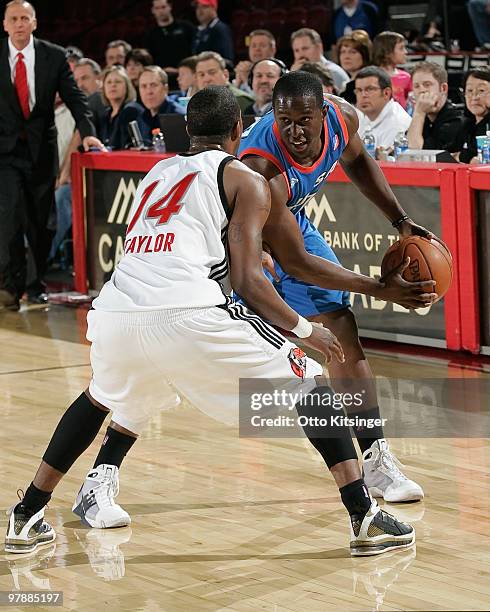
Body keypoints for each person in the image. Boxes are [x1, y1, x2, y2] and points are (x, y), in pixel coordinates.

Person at [5, 85, 415, 559]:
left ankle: (28, 512)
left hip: (116, 309)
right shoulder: (245, 178)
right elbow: (249, 279)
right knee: (307, 380)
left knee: (110, 394)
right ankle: (363, 514)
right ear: (240, 129)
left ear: (188, 128)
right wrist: (306, 331)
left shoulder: (157, 171)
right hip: (188, 310)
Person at [238, 71, 435, 502]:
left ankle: (377, 459)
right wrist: (380, 288)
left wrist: (399, 220)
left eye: (303, 120)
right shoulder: (259, 165)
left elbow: (359, 160)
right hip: (236, 240)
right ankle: (104, 463)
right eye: (283, 120)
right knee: (173, 359)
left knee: (341, 327)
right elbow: (296, 262)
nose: (294, 131)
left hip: (289, 223)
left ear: (323, 113)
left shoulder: (343, 118)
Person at [0, 0, 103, 310]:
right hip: (5, 153)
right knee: (10, 218)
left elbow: (75, 98)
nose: (19, 24)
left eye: (24, 18)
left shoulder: (54, 56)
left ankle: (35, 284)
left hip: (41, 151)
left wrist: (86, 130)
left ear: (34, 22)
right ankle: (9, 285)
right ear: (5, 24)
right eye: (13, 19)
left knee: (42, 224)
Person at [407, 62, 463, 151]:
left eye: (427, 84)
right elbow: (405, 148)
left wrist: (419, 112)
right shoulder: (423, 118)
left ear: (443, 88)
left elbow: (415, 152)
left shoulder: (456, 120)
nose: (421, 90)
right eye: (416, 86)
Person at [355, 66, 412, 151]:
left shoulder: (398, 123)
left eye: (369, 89)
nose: (363, 95)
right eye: (359, 90)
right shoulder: (363, 117)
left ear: (386, 93)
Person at [145, 0, 195, 86]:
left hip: (187, 76)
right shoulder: (150, 34)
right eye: (157, 8)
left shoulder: (186, 27)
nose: (161, 11)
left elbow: (194, 51)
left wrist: (181, 70)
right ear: (153, 10)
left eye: (163, 7)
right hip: (163, 79)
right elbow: (150, 59)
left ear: (170, 7)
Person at [448, 67, 490, 163]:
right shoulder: (467, 124)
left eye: (481, 91)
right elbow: (449, 153)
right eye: (470, 91)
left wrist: (462, 156)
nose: (474, 97)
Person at [136, 66, 186, 146]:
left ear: (165, 88)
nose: (149, 91)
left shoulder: (178, 116)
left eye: (153, 85)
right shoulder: (141, 118)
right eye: (143, 86)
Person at [290, 28, 349, 94]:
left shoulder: (333, 72)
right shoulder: (293, 72)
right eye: (296, 50)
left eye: (305, 48)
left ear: (319, 47)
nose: (301, 55)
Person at [98, 65, 143, 150]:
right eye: (109, 82)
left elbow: (125, 147)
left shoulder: (131, 110)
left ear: (127, 86)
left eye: (118, 82)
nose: (113, 85)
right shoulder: (105, 115)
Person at [372, 31, 411, 110]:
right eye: (401, 48)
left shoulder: (406, 77)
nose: (405, 52)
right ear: (387, 52)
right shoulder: (371, 77)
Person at [234, 29, 277, 95]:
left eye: (262, 45)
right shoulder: (244, 70)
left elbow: (263, 102)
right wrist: (237, 84)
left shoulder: (280, 75)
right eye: (253, 46)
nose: (257, 49)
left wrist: (247, 81)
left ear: (273, 50)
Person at [337, 30, 372, 104]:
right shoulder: (346, 84)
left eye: (353, 52)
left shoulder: (369, 84)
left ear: (364, 55)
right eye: (343, 52)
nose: (346, 56)